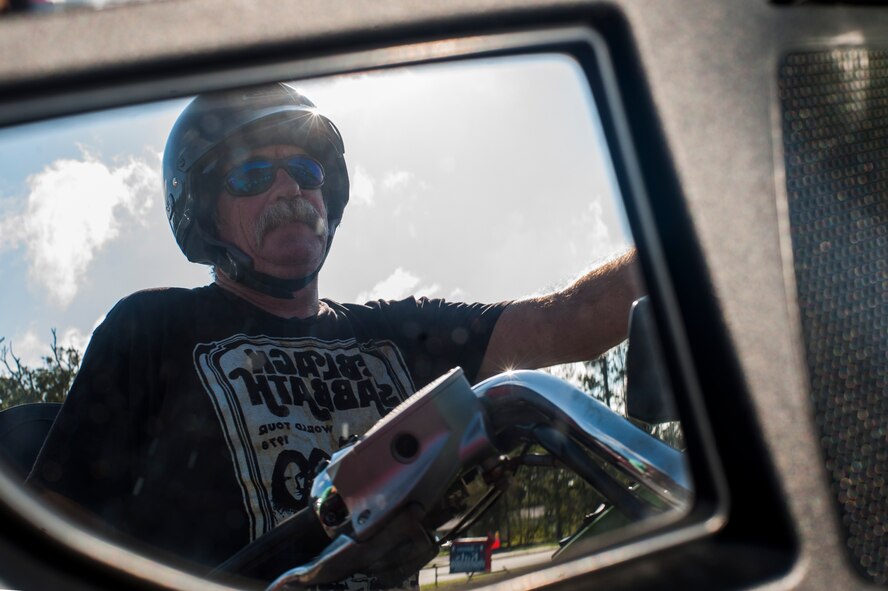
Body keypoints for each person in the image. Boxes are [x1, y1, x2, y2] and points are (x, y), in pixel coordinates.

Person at [27, 83, 641, 579]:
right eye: (251, 176)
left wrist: (694, 243)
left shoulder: (401, 334)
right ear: (204, 209)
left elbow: (567, 319)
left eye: (303, 169)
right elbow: (53, 537)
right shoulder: (149, 329)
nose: (289, 188)